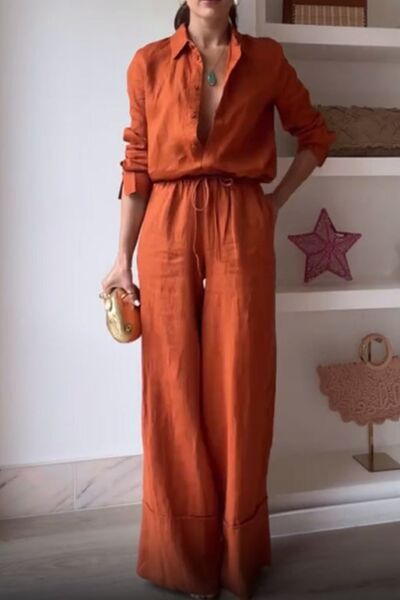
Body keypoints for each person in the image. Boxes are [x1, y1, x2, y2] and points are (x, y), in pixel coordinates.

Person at [101, 1, 336, 598]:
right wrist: (120, 258)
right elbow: (136, 165)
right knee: (171, 382)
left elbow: (315, 135)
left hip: (241, 220)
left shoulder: (267, 60)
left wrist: (273, 204)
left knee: (240, 381)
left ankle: (235, 554)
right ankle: (181, 555)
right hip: (167, 224)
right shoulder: (148, 63)